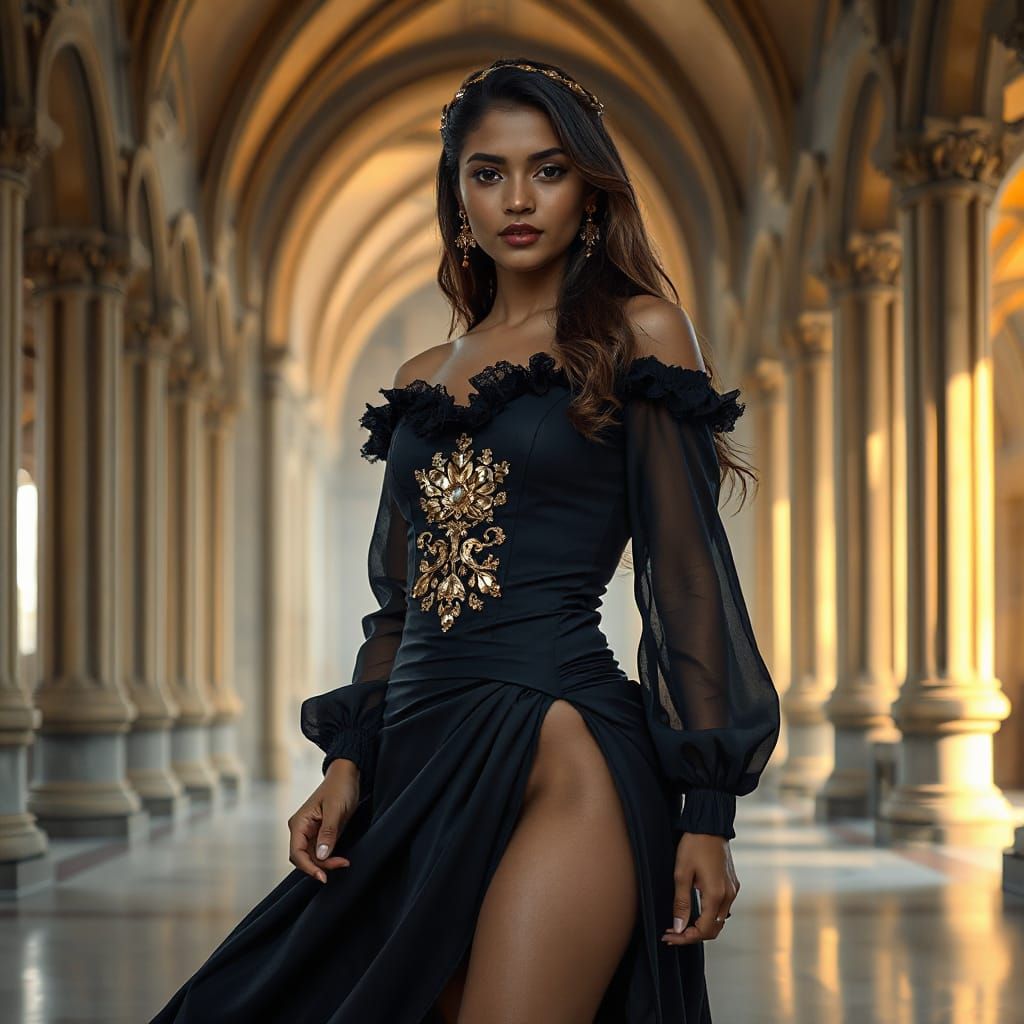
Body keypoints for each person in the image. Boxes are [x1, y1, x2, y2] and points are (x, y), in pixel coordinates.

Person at [149, 56, 781, 1024]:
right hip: (412, 764)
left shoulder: (638, 332)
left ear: (590, 190)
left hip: (559, 757)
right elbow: (397, 598)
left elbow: (685, 577)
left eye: (549, 169)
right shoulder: (418, 374)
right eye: (487, 173)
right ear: (457, 196)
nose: (517, 198)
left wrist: (706, 809)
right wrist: (346, 759)